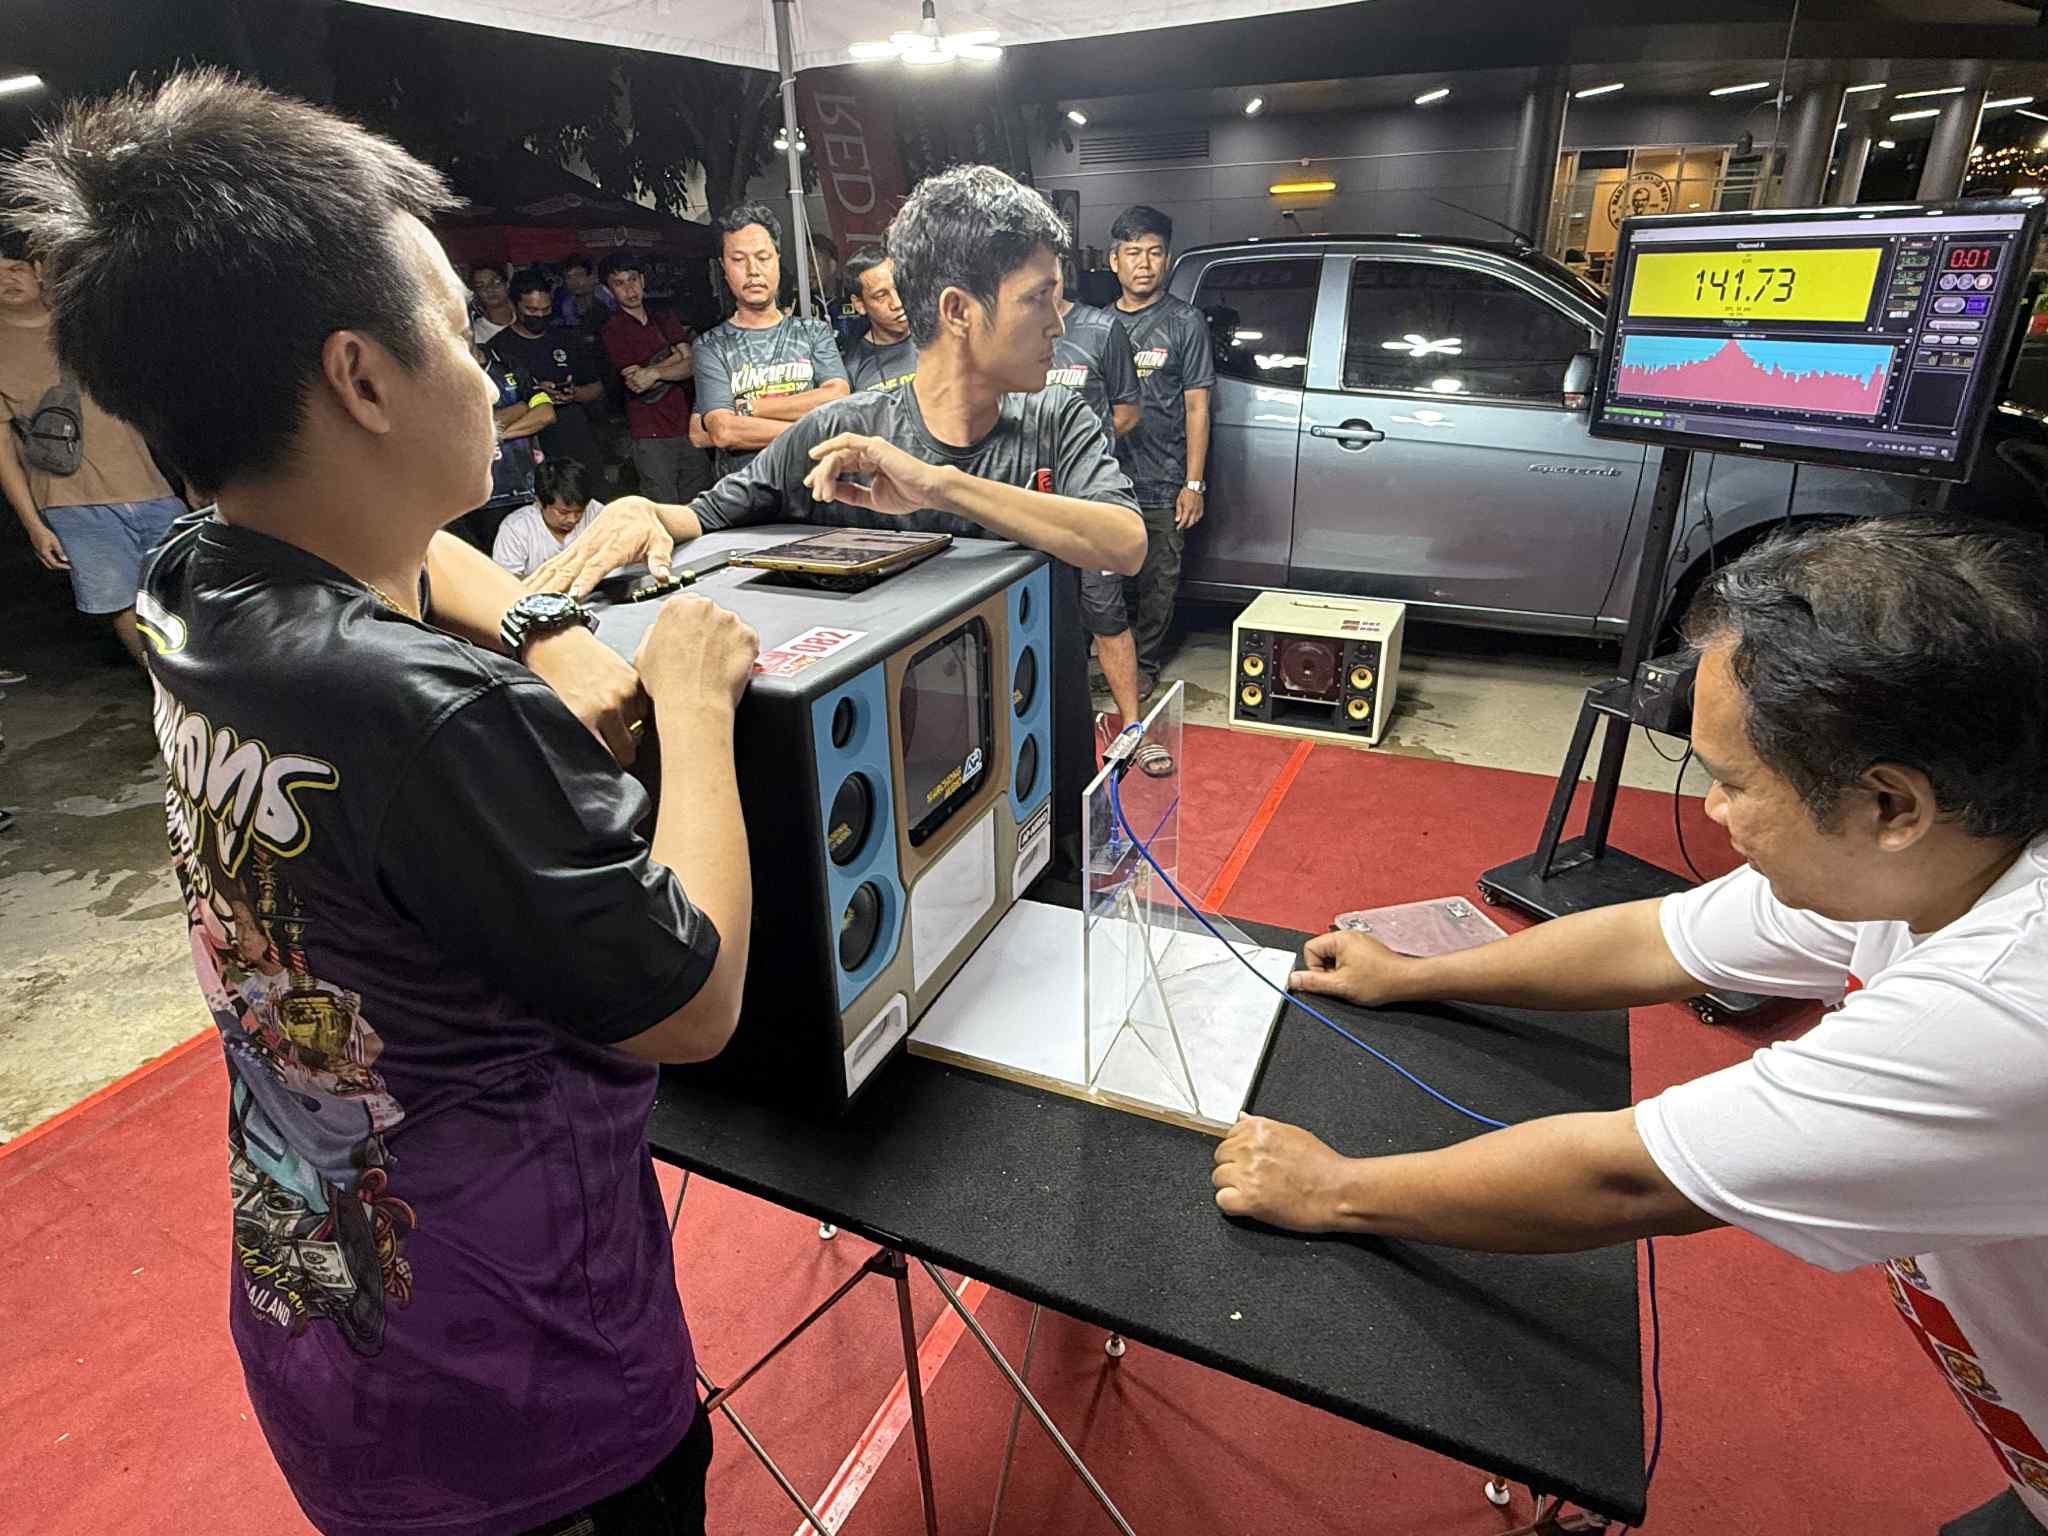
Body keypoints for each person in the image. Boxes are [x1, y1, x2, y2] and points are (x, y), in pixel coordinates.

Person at [6, 68, 762, 1536]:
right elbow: (694, 1000)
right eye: (462, 337)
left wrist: (545, 621)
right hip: (533, 1401)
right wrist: (691, 700)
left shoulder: (191, 585)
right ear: (361, 378)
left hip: (331, 1335)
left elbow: (412, 560)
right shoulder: (437, 717)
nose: (486, 374)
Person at [1210, 519, 2048, 1536]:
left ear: (1890, 804)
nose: (1710, 812)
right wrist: (1415, 974)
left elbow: (1628, 1178)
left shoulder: (2005, 1008)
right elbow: (1661, 940)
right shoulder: (1941, 850)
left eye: (1734, 782)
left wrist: (1334, 1190)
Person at [0, 228, 186, 668]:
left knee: (186, 593)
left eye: (14, 268)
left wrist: (193, 476)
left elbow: (153, 403)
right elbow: (2, 450)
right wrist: (34, 524)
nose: (6, 280)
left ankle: (206, 688)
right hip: (71, 502)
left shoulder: (86, 324)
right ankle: (166, 691)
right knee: (120, 601)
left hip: (151, 487)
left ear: (38, 270)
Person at [1108, 205, 1212, 691]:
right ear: (1114, 261)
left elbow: (1197, 407)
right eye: (1133, 253)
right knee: (1104, 582)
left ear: (1167, 258)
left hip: (1164, 478)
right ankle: (1106, 660)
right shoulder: (1097, 325)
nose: (1144, 264)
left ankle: (1143, 666)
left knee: (1158, 582)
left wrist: (1193, 483)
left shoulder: (1185, 322)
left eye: (1154, 252)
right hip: (1107, 480)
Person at [1046, 289, 1151, 758]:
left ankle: (1133, 728)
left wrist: (1080, 450)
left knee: (1108, 617)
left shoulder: (1102, 328)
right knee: (1044, 622)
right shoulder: (1004, 329)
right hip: (1031, 503)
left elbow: (1127, 411)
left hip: (1090, 504)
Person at [690, 203, 850, 481]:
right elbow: (723, 431)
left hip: (815, 488)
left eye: (763, 257)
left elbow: (836, 396)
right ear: (723, 268)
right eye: (738, 259)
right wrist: (811, 431)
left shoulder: (813, 332)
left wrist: (748, 409)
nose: (753, 270)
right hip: (746, 493)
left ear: (777, 259)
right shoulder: (711, 346)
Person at [598, 252, 710, 505]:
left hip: (688, 427)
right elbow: (638, 383)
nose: (630, 289)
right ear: (608, 290)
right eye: (619, 283)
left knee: (701, 504)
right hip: (649, 433)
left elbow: (692, 364)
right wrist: (674, 358)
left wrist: (654, 371)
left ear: (643, 280)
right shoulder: (613, 329)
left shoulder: (664, 317)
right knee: (664, 508)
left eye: (633, 279)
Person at [493, 268, 604, 472]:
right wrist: (535, 393)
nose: (540, 315)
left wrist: (574, 393)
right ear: (514, 305)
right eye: (532, 310)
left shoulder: (567, 340)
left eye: (545, 309)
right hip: (531, 442)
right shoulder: (499, 347)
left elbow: (596, 387)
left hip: (576, 436)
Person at [492, 458, 602, 578]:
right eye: (563, 512)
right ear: (540, 502)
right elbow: (506, 579)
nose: (573, 519)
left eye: (579, 512)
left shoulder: (596, 512)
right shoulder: (515, 529)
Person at [841, 248, 917, 393]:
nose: (897, 303)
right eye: (881, 296)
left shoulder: (939, 340)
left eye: (899, 287)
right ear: (860, 304)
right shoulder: (853, 368)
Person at [551, 251, 615, 334]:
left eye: (578, 275)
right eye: (568, 277)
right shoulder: (566, 304)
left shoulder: (610, 299)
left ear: (593, 276)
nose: (573, 282)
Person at [467, 261, 514, 345]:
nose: (489, 289)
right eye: (480, 286)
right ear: (476, 293)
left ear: (507, 284)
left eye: (495, 282)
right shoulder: (476, 333)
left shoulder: (527, 317)